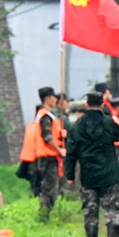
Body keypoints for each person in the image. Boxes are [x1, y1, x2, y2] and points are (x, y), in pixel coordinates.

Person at [64, 91, 119, 237]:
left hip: (88, 175)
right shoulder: (107, 122)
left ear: (86, 105)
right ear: (102, 104)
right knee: (112, 211)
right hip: (109, 174)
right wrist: (108, 115)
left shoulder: (77, 126)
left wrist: (69, 175)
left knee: (90, 212)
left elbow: (71, 153)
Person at [34, 86, 66, 222]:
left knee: (52, 187)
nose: (56, 100)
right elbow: (47, 137)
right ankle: (44, 217)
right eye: (54, 97)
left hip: (51, 156)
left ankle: (45, 216)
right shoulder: (45, 116)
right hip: (48, 156)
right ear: (47, 99)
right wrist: (60, 150)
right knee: (49, 189)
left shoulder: (51, 115)